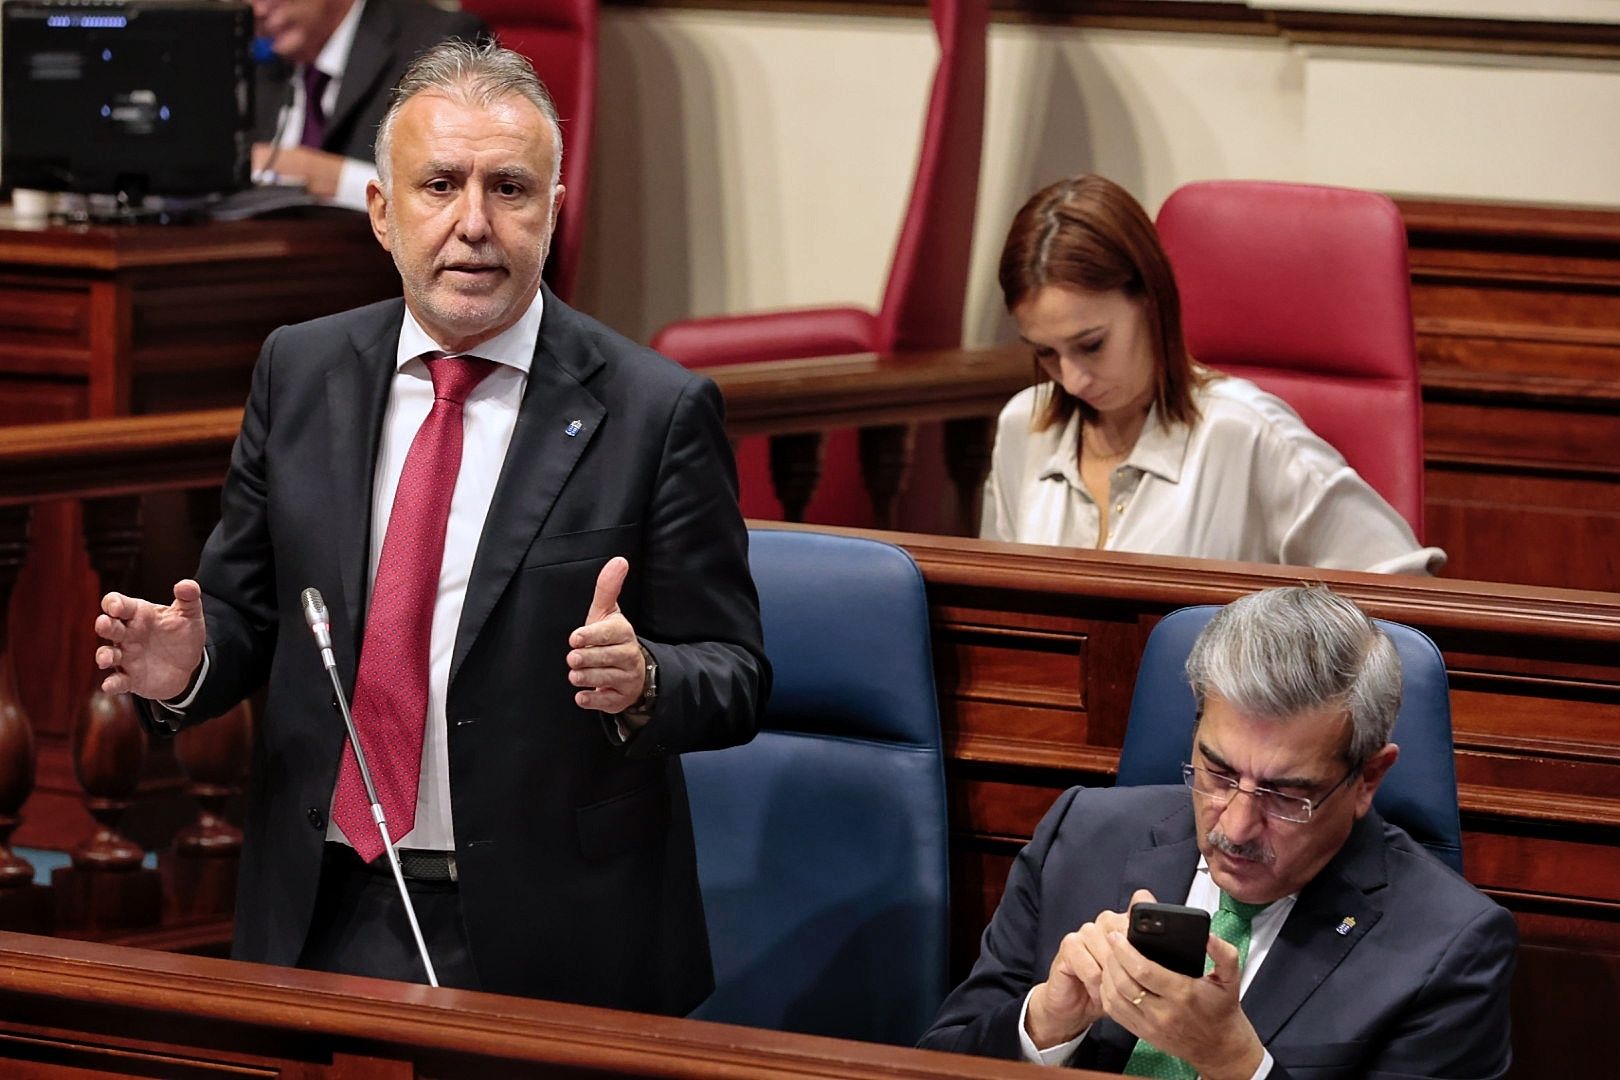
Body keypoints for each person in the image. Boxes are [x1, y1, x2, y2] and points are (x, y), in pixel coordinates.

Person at [94, 40, 769, 1016]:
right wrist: (187, 667)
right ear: (381, 211)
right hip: (320, 908)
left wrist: (648, 679)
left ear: (555, 208)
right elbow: (246, 617)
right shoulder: (300, 371)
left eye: (510, 189)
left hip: (554, 939)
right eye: (440, 184)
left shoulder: (655, 410)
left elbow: (737, 674)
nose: (473, 225)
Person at [920, 586, 1515, 1077]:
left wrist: (1237, 1063)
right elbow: (928, 1065)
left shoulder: (1449, 949)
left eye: (1285, 794)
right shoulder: (1079, 838)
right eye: (1218, 772)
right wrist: (1044, 1024)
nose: (1235, 825)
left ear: (1367, 778)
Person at [981, 174, 1445, 575]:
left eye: (1091, 345)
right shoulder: (1023, 427)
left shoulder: (1245, 431)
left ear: (1151, 301)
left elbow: (1402, 592)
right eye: (1045, 353)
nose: (1074, 380)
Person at [251, 0, 488, 209]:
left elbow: (454, 189)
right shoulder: (257, 63)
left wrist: (334, 179)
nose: (258, 9)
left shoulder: (440, 40)